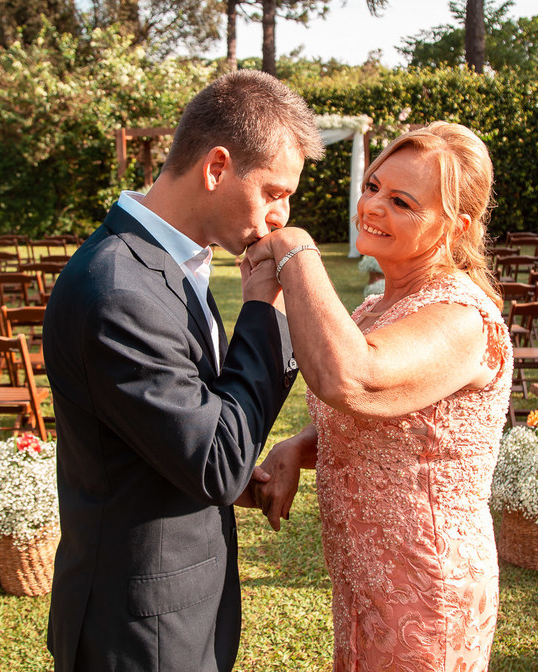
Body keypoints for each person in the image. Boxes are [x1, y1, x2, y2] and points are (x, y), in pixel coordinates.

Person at [43, 69, 324, 672]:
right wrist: (265, 310)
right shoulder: (119, 291)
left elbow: (176, 423)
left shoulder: (165, 261)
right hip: (139, 630)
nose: (281, 215)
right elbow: (216, 461)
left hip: (168, 604)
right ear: (217, 167)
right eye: (273, 192)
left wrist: (239, 477)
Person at [245, 121, 512, 672]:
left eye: (401, 201)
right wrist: (297, 446)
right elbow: (385, 426)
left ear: (455, 227)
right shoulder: (374, 309)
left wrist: (296, 250)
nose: (371, 206)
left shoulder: (463, 318)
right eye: (372, 187)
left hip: (426, 586)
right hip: (364, 579)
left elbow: (356, 380)